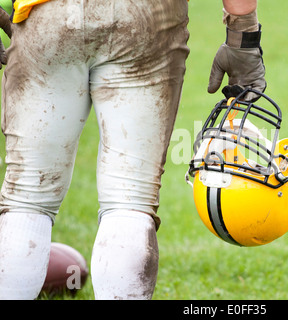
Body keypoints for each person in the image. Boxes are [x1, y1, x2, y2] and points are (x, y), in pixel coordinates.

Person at [0, 0, 265, 299]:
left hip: (47, 14)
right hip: (146, 16)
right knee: (129, 199)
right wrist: (243, 33)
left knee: (27, 197)